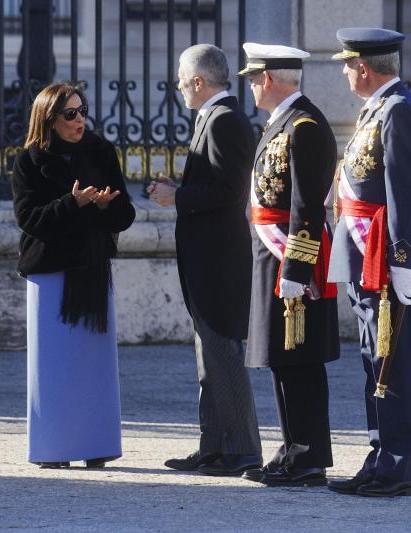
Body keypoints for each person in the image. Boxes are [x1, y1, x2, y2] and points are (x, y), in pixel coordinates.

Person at [148, 44, 262, 476]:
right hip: (206, 259)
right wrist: (180, 191)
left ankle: (243, 449)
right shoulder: (213, 117)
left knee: (223, 355)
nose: (178, 85)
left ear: (199, 81)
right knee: (209, 358)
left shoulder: (225, 120)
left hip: (218, 262)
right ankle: (214, 445)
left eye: (181, 77)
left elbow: (230, 191)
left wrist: (178, 196)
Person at [327, 28, 411, 497]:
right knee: (374, 360)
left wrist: (403, 259)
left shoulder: (399, 111)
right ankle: (379, 455)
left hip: (387, 263)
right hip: (367, 256)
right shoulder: (380, 109)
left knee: (394, 363)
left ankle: (396, 468)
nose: (347, 72)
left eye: (348, 65)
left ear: (364, 68)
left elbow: (403, 192)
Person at [11, 83, 136, 469]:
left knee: (93, 367)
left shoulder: (100, 151)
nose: (79, 120)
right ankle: (54, 448)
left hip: (92, 269)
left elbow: (126, 216)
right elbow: (30, 220)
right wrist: (74, 202)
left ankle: (96, 445)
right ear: (49, 119)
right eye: (70, 114)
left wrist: (103, 207)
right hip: (50, 273)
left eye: (82, 111)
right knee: (54, 368)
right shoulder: (29, 161)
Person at [235, 43, 340, 487]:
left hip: (292, 261)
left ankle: (308, 456)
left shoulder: (305, 127)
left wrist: (296, 271)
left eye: (255, 78)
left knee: (300, 359)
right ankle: (292, 448)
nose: (253, 86)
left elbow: (306, 208)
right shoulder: (281, 123)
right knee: (282, 358)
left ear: (271, 78)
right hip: (270, 256)